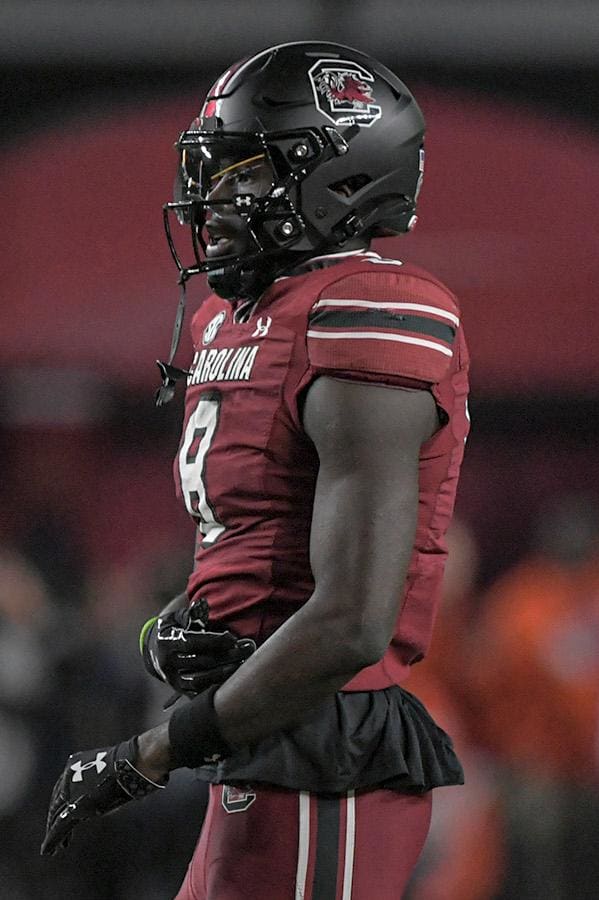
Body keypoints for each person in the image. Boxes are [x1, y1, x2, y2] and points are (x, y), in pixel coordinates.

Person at [41, 41, 471, 899]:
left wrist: (150, 753)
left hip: (327, 741)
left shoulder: (369, 310)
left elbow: (351, 621)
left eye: (246, 172)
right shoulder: (234, 318)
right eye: (214, 171)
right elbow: (255, 535)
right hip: (264, 727)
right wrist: (176, 626)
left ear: (342, 177)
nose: (215, 199)